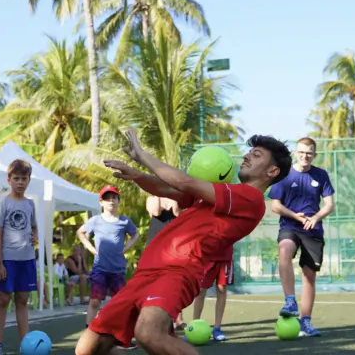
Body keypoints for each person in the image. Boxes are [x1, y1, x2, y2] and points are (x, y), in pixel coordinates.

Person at [75, 130, 291, 355]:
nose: (247, 156)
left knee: (149, 332)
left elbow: (184, 181)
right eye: (249, 152)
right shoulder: (221, 194)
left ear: (272, 171)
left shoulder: (251, 199)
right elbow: (168, 188)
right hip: (145, 273)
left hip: (178, 271)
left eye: (256, 155)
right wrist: (137, 175)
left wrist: (142, 155)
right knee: (87, 349)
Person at [269, 136, 335, 337]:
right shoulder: (284, 175)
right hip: (290, 225)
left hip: (312, 231)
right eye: (302, 152)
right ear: (296, 153)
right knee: (284, 250)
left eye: (309, 153)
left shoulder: (321, 175)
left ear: (314, 155)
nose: (305, 156)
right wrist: (293, 215)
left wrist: (315, 218)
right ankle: (290, 300)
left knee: (309, 277)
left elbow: (330, 205)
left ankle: (306, 322)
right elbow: (275, 205)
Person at [0, 159, 38, 355]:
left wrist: (35, 234)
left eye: (24, 179)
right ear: (8, 179)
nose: (20, 182)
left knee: (22, 301)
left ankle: (25, 344)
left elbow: (34, 226)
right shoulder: (3, 204)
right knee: (3, 300)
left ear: (28, 180)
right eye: (16, 178)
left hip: (27, 260)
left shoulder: (30, 204)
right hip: (7, 260)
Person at [77, 185, 140, 328]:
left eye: (114, 197)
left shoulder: (124, 221)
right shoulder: (95, 220)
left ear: (118, 201)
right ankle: (90, 330)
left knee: (118, 303)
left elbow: (136, 233)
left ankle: (118, 332)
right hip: (100, 268)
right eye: (107, 198)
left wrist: (127, 247)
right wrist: (90, 247)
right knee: (94, 301)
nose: (111, 200)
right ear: (101, 202)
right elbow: (80, 232)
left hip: (118, 269)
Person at [145, 196, 185, 329]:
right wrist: (157, 194)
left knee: (175, 282)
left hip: (173, 245)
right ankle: (155, 319)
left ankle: (178, 319)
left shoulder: (174, 199)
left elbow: (177, 214)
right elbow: (155, 212)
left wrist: (171, 196)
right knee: (155, 284)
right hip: (155, 245)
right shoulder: (151, 199)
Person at [191, 243, 233, 341]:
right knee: (201, 290)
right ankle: (194, 326)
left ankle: (217, 328)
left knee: (221, 289)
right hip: (207, 255)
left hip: (224, 254)